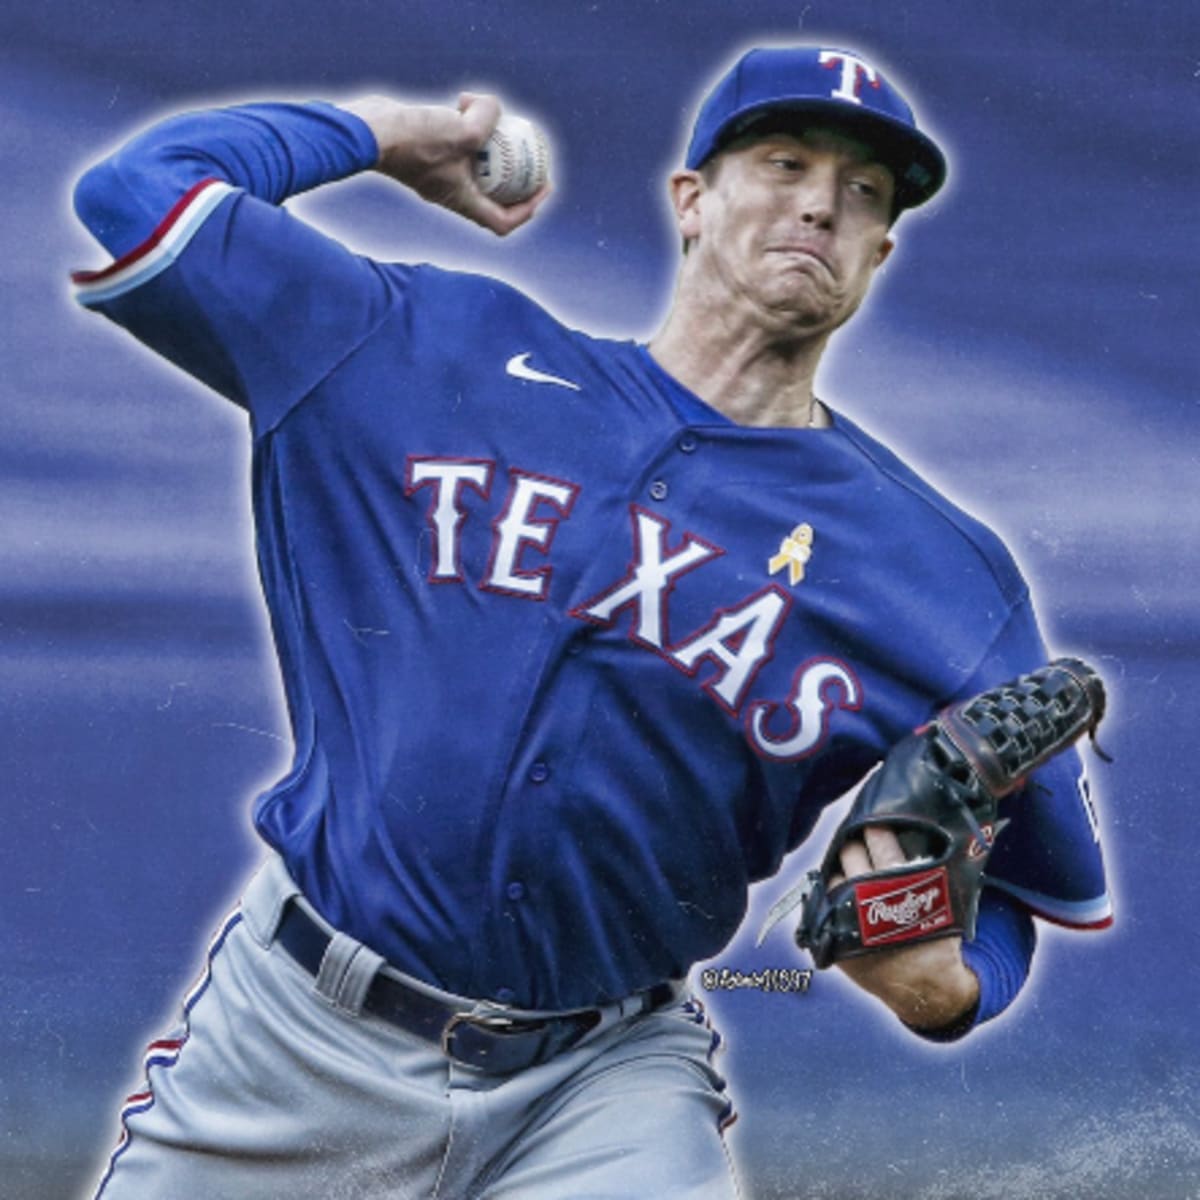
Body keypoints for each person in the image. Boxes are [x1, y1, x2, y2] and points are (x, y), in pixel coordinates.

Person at [71, 44, 1111, 1199]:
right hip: (297, 1038)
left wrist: (949, 989)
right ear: (691, 199)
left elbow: (1024, 893)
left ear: (881, 252)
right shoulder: (419, 350)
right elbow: (135, 191)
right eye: (784, 162)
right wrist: (387, 133)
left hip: (602, 1084)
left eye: (865, 190)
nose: (823, 201)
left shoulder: (942, 577)